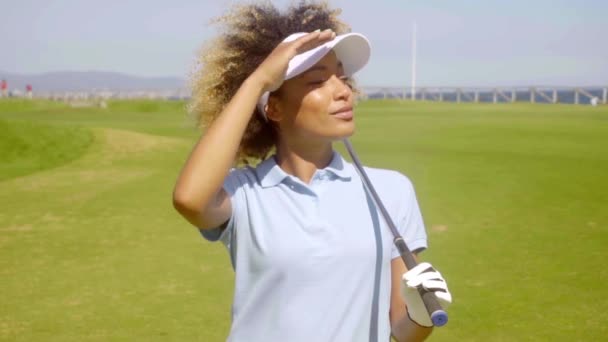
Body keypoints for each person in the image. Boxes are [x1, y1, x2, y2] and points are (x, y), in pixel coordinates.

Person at [173, 2, 451, 341]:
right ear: (273, 107)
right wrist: (258, 80)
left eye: (343, 78)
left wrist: (420, 314)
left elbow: (402, 331)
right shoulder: (244, 193)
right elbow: (189, 199)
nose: (343, 91)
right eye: (318, 81)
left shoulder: (392, 191)